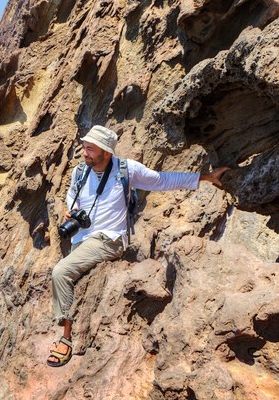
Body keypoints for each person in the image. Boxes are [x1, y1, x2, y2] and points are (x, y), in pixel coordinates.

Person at [46, 125, 230, 367]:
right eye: (84, 147)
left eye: (90, 149)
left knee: (60, 272)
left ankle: (66, 339)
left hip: (109, 239)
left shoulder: (126, 169)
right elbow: (72, 194)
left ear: (106, 152)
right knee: (71, 281)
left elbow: (161, 181)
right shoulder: (81, 171)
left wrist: (204, 177)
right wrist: (72, 210)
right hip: (82, 238)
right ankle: (74, 326)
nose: (85, 153)